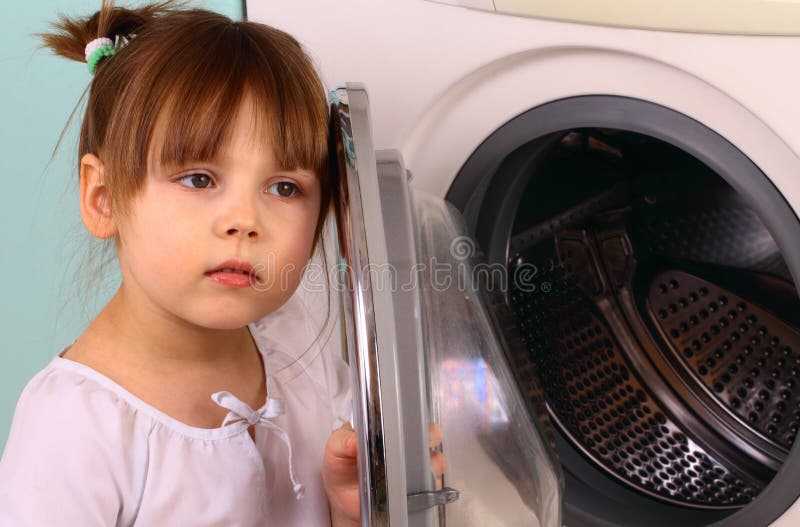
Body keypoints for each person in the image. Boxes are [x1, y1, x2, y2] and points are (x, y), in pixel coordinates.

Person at [0, 1, 444, 525]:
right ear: (104, 199)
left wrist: (356, 509)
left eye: (284, 188)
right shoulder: (75, 426)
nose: (244, 221)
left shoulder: (301, 349)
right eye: (199, 179)